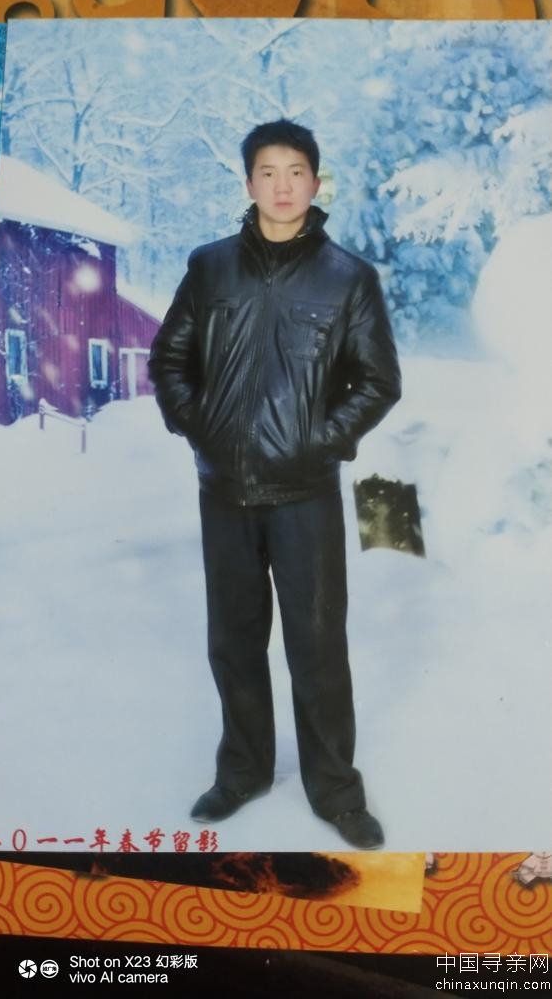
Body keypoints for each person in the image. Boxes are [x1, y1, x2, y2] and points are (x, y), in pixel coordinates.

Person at [148, 119, 401, 849]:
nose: (283, 186)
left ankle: (335, 790)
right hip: (223, 492)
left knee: (317, 645)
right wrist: (202, 429)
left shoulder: (348, 277)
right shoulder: (210, 268)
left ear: (315, 182)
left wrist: (317, 443)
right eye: (268, 171)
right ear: (249, 181)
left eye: (296, 172)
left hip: (305, 496)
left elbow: (379, 381)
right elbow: (169, 360)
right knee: (233, 640)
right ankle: (243, 772)